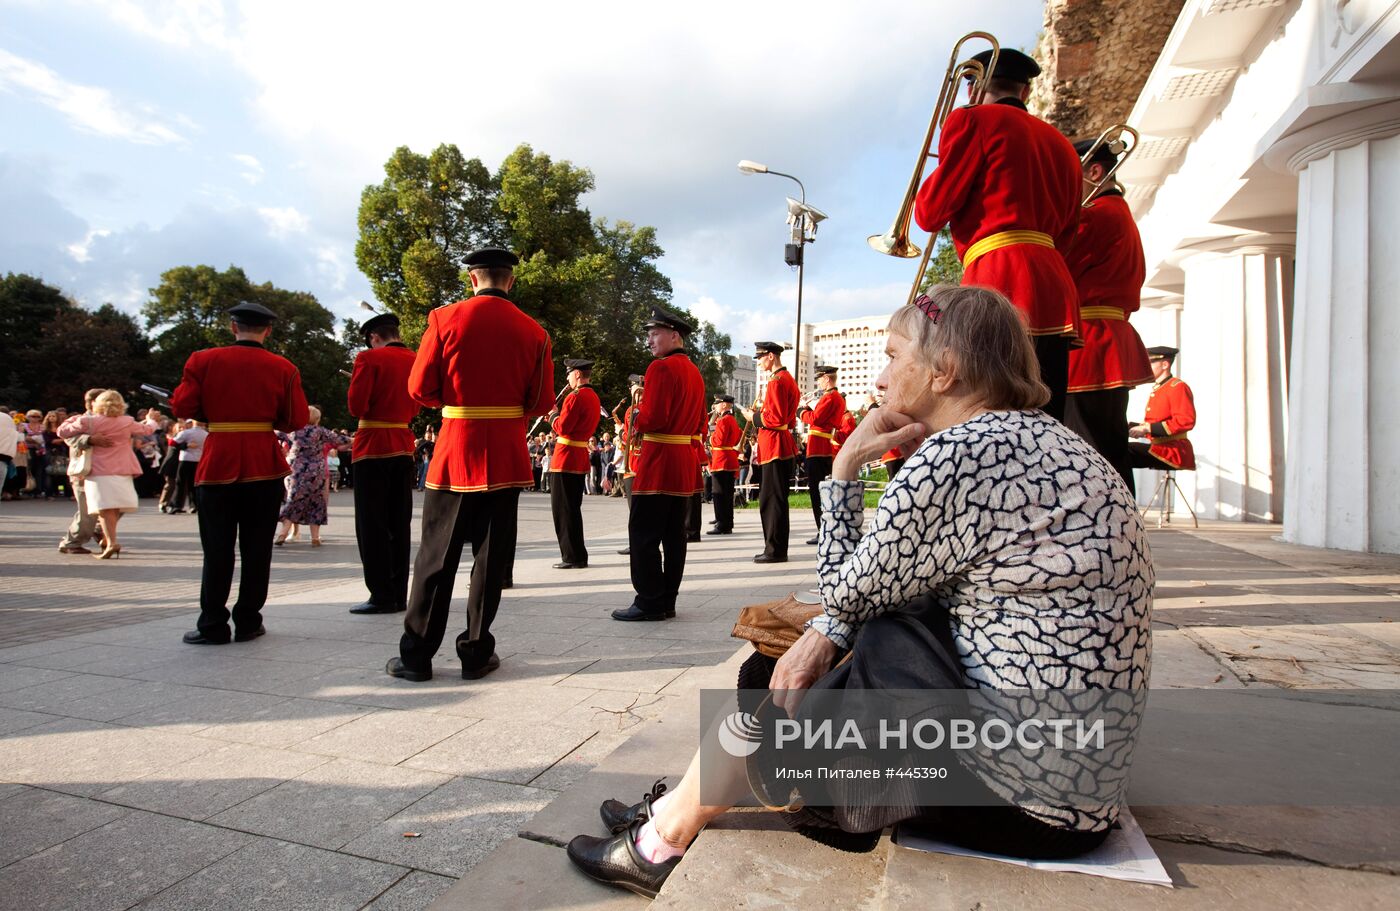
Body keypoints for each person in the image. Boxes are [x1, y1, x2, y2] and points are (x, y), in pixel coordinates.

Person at [566, 285, 1153, 897]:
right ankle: (678, 807)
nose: (881, 376)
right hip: (1077, 788)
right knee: (820, 647)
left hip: (1024, 803)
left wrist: (845, 467)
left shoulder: (960, 453)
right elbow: (866, 593)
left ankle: (661, 839)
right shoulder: (1051, 442)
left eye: (896, 356)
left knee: (793, 668)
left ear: (945, 371)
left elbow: (842, 590)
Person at [388, 247, 554, 682]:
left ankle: (417, 656)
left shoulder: (444, 319)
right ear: (510, 281)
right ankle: (476, 652)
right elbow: (540, 402)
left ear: (472, 279)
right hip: (506, 455)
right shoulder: (535, 332)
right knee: (490, 559)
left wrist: (458, 405)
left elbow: (420, 386)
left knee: (434, 558)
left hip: (454, 452)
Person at [913, 48, 1082, 420]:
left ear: (973, 88)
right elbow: (1069, 233)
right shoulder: (1063, 146)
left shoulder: (971, 120)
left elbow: (929, 213)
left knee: (991, 409)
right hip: (1055, 284)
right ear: (1024, 92)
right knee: (1048, 416)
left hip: (996, 273)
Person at [170, 300, 311, 646]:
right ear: (268, 331)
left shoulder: (202, 360)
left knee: (217, 549)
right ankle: (248, 621)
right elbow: (296, 418)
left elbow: (182, 406)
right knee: (257, 548)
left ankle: (212, 624)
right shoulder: (284, 367)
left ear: (234, 328)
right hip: (263, 463)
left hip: (218, 460)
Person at [1062, 136, 1154, 493]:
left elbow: (1059, 264)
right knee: (1107, 447)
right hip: (1105, 337)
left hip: (1090, 344)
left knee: (1086, 451)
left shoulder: (1097, 216)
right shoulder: (1118, 214)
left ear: (1095, 171)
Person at [613, 306, 706, 622]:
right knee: (673, 536)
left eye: (655, 334)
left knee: (643, 534)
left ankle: (649, 600)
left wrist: (635, 412)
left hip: (658, 462)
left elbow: (653, 419)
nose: (650, 341)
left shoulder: (660, 368)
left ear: (674, 335)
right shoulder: (693, 371)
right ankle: (668, 599)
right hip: (681, 461)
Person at [346, 311, 420, 615]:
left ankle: (381, 594)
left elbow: (356, 406)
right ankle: (399, 592)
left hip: (372, 445)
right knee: (399, 523)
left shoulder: (367, 359)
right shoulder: (416, 358)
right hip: (403, 443)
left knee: (372, 524)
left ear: (374, 338)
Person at [56, 392, 162, 559]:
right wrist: (151, 419)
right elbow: (147, 429)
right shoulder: (124, 421)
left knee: (105, 509)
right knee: (105, 509)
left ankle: (107, 539)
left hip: (97, 470)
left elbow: (62, 432)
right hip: (114, 470)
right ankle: (84, 541)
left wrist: (79, 426)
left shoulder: (87, 421)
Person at [742, 342, 799, 564]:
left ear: (771, 356)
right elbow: (787, 418)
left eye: (761, 358)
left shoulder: (776, 382)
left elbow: (775, 420)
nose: (759, 362)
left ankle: (775, 550)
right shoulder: (788, 380)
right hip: (779, 444)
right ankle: (774, 547)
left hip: (774, 446)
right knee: (775, 500)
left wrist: (752, 418)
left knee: (772, 501)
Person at [549, 358, 601, 569]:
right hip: (578, 457)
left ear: (577, 374)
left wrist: (552, 414)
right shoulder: (593, 397)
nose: (567, 378)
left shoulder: (574, 396)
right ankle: (577, 554)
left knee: (563, 510)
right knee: (572, 508)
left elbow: (563, 427)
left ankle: (571, 556)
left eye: (569, 374)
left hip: (565, 457)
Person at [274, 407, 349, 546]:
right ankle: (315, 537)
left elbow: (276, 432)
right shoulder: (319, 431)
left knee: (293, 500)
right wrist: (359, 438)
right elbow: (340, 439)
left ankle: (283, 533)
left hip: (296, 470)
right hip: (316, 472)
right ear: (317, 419)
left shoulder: (293, 430)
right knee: (317, 502)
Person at [798, 365, 846, 545]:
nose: (818, 382)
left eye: (819, 379)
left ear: (826, 378)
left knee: (816, 493)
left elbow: (815, 419)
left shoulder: (830, 397)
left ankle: (823, 531)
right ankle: (826, 529)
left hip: (818, 449)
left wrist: (801, 411)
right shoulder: (837, 398)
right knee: (824, 492)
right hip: (825, 448)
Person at [1127, 346, 1196, 471]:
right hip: (1160, 447)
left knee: (1123, 452)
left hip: (1174, 450)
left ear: (1165, 364)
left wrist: (1147, 428)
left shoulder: (1177, 387)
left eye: (1151, 363)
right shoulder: (1161, 388)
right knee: (1117, 450)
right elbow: (1156, 423)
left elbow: (1185, 421)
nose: (1147, 367)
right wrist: (1131, 427)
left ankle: (1123, 490)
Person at [56, 389, 107, 553]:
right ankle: (71, 542)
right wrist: (88, 439)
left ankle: (98, 530)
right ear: (93, 402)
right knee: (87, 510)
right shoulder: (77, 420)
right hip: (83, 471)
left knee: (117, 506)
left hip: (107, 471)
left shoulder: (110, 420)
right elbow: (66, 436)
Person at [615, 375, 644, 555]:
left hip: (634, 462)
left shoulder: (632, 410)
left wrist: (619, 434)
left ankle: (636, 544)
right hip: (646, 460)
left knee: (634, 508)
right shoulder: (652, 407)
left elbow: (630, 436)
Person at [706, 395, 740, 535]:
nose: (715, 406)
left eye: (718, 403)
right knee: (726, 494)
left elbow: (718, 441)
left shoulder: (723, 420)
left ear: (725, 405)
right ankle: (727, 523)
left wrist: (709, 437)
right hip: (728, 458)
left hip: (721, 460)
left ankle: (722, 524)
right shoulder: (731, 419)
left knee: (719, 494)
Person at [171, 420, 208, 513]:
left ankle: (177, 505)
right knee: (194, 484)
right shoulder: (206, 434)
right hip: (198, 460)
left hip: (186, 459)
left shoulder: (186, 433)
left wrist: (185, 445)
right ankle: (195, 505)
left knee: (180, 483)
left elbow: (172, 443)